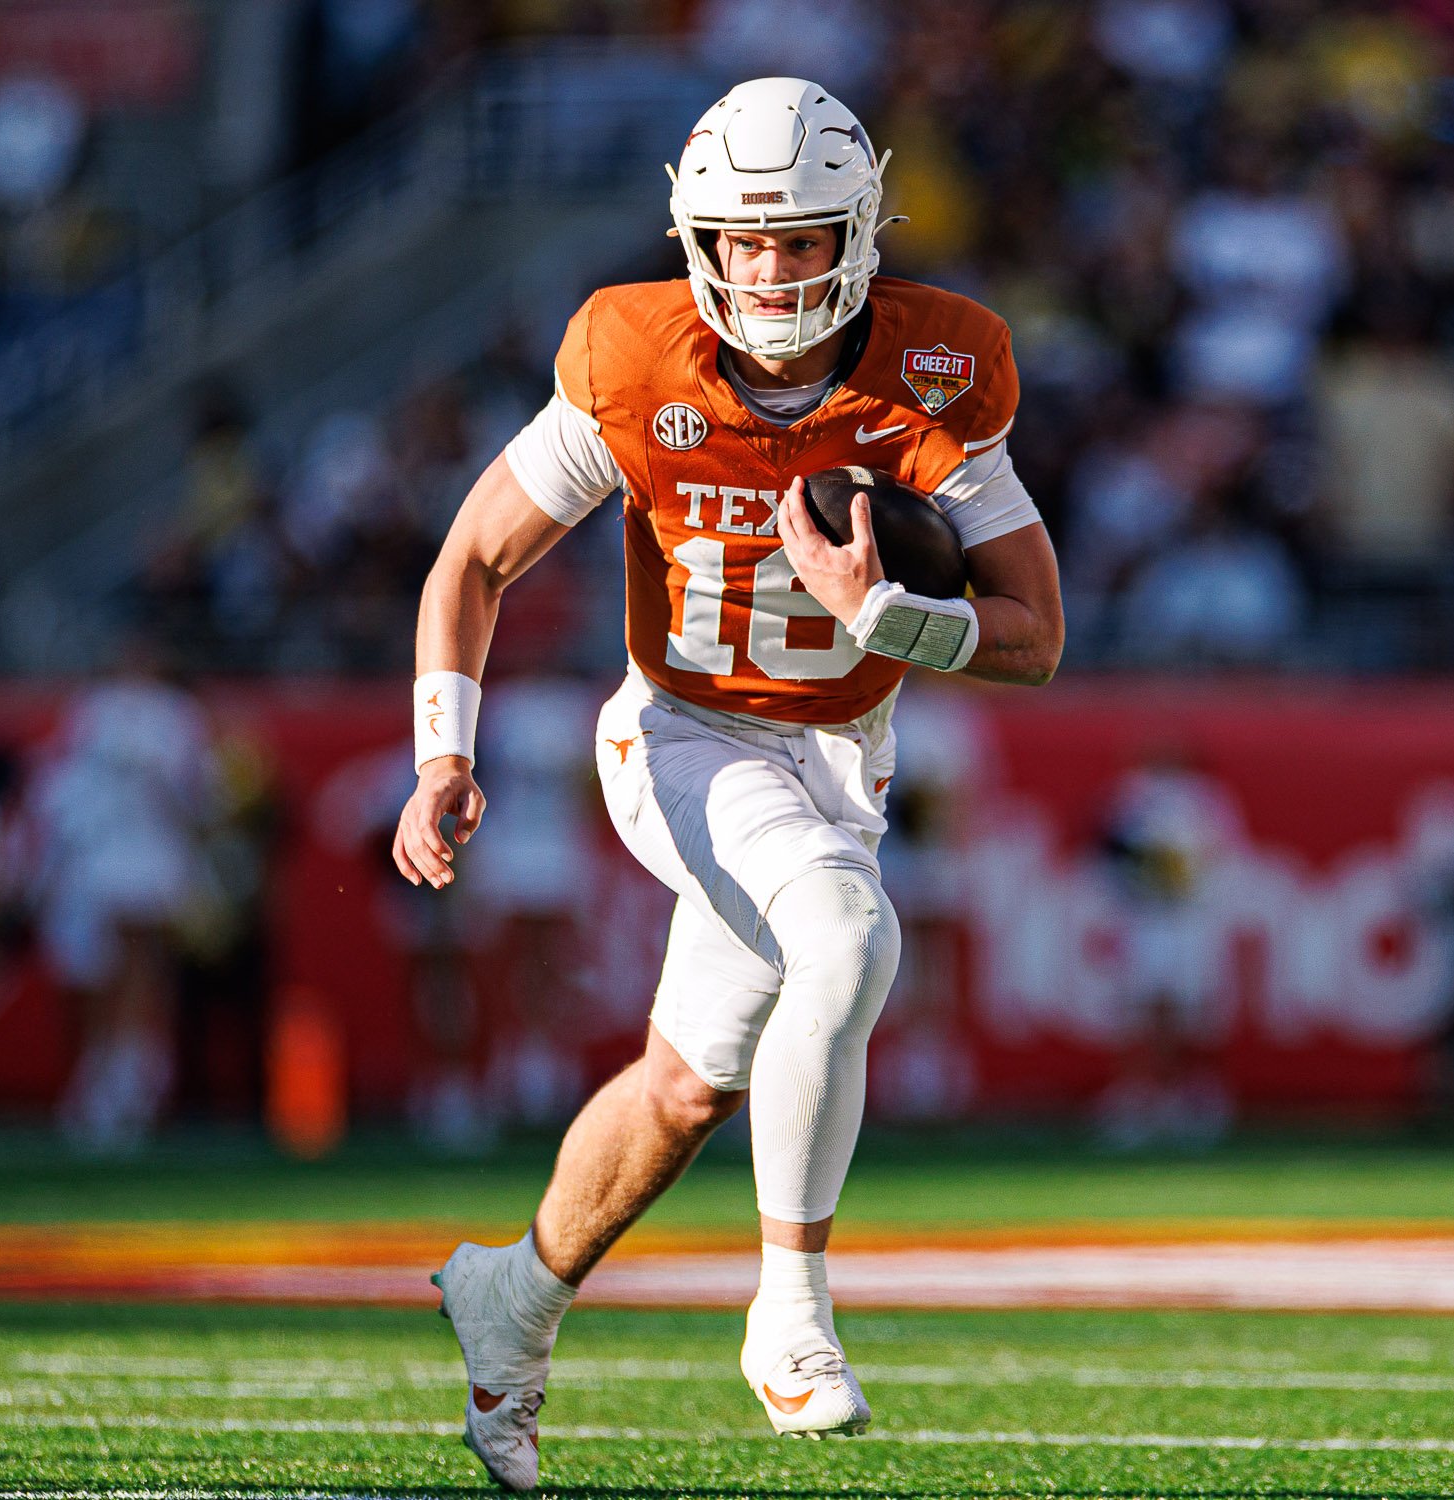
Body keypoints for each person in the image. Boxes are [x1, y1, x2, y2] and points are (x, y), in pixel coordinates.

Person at [392, 77, 1064, 1491]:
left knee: (690, 1090)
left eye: (800, 238)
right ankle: (792, 1313)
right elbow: (474, 559)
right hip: (680, 733)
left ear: (862, 231)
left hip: (841, 753)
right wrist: (440, 752)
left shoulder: (938, 366)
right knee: (845, 935)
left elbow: (1035, 634)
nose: (766, 270)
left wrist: (893, 621)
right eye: (739, 241)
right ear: (693, 235)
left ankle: (514, 1295)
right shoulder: (631, 354)